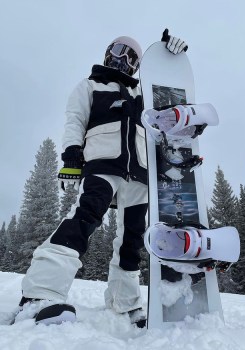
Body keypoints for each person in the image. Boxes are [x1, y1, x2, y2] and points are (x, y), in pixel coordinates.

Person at [14, 29, 188, 328]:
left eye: (131, 55)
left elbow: (167, 117)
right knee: (82, 221)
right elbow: (75, 120)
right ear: (107, 53)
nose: (122, 58)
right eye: (118, 50)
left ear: (137, 65)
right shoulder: (91, 85)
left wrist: (171, 59)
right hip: (103, 164)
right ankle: (40, 296)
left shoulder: (142, 94)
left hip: (139, 174)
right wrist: (71, 158)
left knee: (132, 240)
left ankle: (126, 304)